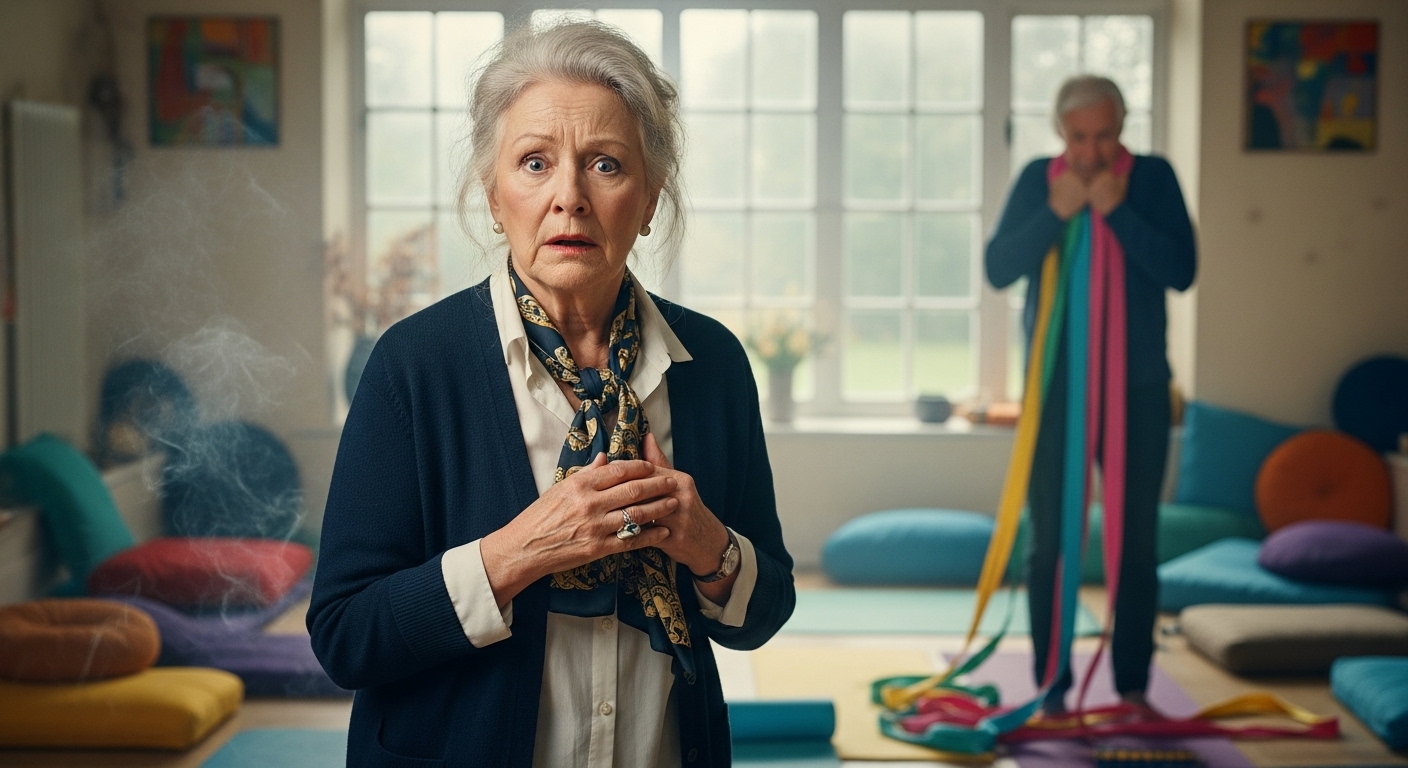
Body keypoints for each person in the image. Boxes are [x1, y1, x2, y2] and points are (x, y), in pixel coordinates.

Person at [308, 21, 795, 767]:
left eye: (606, 164)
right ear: (494, 196)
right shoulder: (411, 366)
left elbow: (764, 611)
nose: (568, 197)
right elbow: (346, 634)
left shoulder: (713, 363)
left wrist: (708, 545)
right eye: (534, 162)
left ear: (651, 198)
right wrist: (518, 552)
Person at [985, 75, 1195, 713]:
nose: (1092, 150)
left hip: (1140, 392)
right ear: (1060, 132)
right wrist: (1059, 209)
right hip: (1055, 394)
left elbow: (1181, 271)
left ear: (1122, 128)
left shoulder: (1152, 178)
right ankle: (1052, 683)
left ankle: (1132, 685)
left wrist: (1115, 209)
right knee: (1049, 539)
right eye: (1079, 137)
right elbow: (999, 268)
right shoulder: (1037, 179)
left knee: (1136, 540)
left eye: (1105, 135)